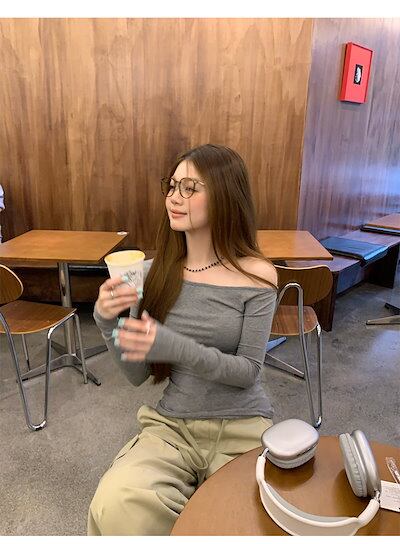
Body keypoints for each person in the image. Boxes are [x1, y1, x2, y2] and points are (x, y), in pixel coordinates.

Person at [88, 144, 278, 536]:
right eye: (172, 186)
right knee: (116, 502)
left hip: (242, 426)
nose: (174, 198)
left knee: (244, 524)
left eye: (190, 188)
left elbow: (248, 372)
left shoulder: (257, 275)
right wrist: (106, 322)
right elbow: (137, 375)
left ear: (225, 194)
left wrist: (175, 346)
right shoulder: (151, 273)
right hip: (174, 426)